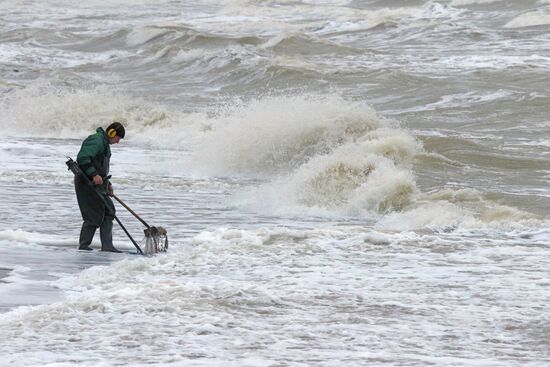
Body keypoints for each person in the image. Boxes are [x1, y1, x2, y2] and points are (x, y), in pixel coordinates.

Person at [74, 122, 125, 252]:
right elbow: (83, 157)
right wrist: (93, 174)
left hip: (98, 183)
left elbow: (101, 169)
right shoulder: (96, 140)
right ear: (112, 133)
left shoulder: (104, 144)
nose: (117, 142)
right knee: (93, 216)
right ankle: (84, 246)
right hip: (87, 183)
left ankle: (107, 246)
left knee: (109, 211)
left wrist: (108, 184)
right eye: (118, 138)